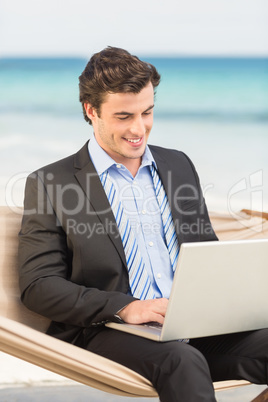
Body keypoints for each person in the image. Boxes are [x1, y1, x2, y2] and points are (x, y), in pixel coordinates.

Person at [18, 47, 268, 402]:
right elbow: (38, 286)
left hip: (192, 326)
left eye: (147, 112)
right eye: (123, 116)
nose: (139, 129)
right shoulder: (51, 183)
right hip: (106, 330)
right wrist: (125, 307)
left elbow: (205, 252)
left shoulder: (177, 165)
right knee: (182, 361)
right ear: (91, 111)